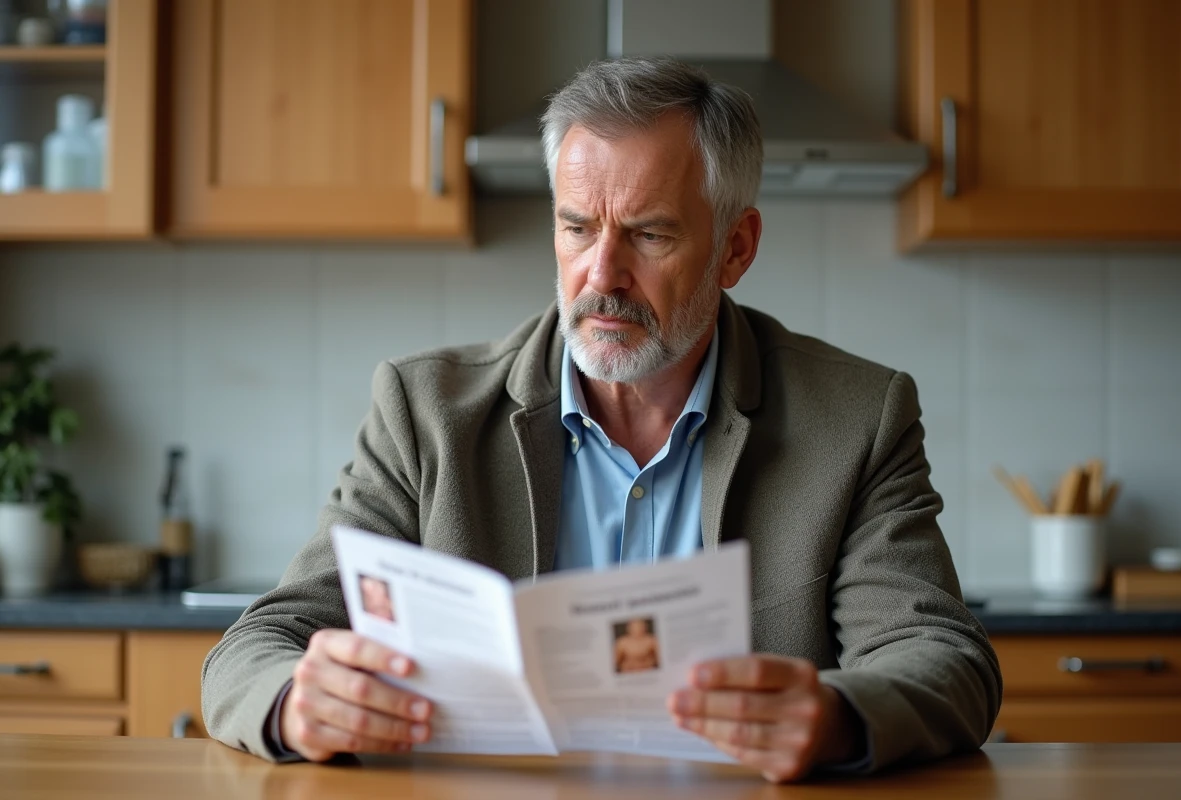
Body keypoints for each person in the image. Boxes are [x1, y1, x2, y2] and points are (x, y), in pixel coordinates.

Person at [201, 56, 1001, 783]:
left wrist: (837, 718)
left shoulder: (857, 417)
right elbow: (255, 648)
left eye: (650, 234)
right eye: (577, 228)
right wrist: (293, 703)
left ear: (735, 248)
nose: (602, 275)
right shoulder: (426, 413)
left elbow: (945, 661)